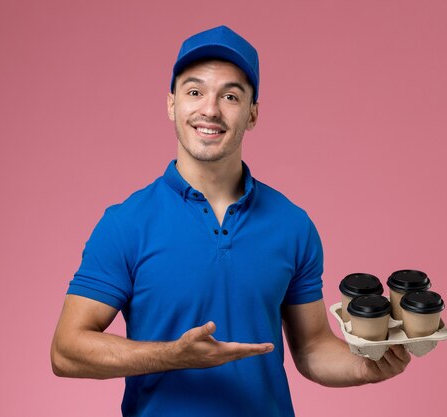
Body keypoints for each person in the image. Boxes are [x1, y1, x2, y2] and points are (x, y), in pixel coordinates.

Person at [51, 25, 410, 416]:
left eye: (230, 96)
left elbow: (311, 347)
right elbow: (67, 351)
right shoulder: (126, 224)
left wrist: (365, 366)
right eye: (194, 92)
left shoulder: (292, 225)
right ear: (172, 104)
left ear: (252, 113)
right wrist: (174, 355)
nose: (210, 109)